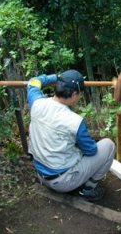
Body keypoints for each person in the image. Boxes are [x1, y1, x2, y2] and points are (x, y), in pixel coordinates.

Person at [27, 69, 116, 201]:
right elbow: (91, 151)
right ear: (74, 94)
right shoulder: (75, 121)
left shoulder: (36, 102)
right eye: (79, 94)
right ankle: (87, 190)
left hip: (41, 174)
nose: (79, 98)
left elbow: (33, 82)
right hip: (62, 182)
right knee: (108, 145)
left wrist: (56, 77)